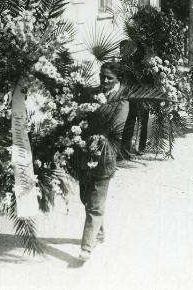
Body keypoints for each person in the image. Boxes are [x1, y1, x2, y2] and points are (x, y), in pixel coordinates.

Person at [78, 62, 129, 262]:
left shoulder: (122, 101)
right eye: (103, 77)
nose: (105, 81)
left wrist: (94, 123)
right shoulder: (94, 93)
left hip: (105, 154)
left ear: (118, 79)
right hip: (85, 153)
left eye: (110, 78)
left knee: (95, 203)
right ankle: (98, 232)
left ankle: (86, 248)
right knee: (85, 198)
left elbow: (116, 128)